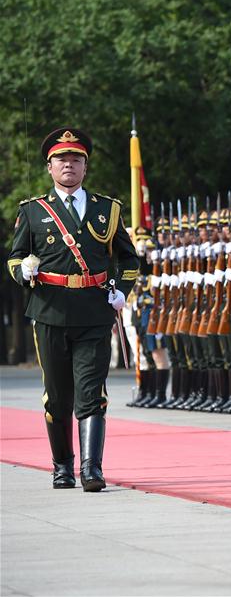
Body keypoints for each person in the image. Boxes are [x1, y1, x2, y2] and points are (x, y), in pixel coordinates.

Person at [8, 127, 140, 491]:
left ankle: (91, 468)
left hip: (94, 313)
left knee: (92, 391)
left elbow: (129, 259)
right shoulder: (33, 211)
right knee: (57, 396)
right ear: (50, 167)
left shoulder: (107, 210)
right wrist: (23, 271)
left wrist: (122, 290)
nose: (69, 164)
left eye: (76, 159)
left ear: (85, 167)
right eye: (61, 160)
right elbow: (14, 258)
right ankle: (62, 466)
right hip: (49, 311)